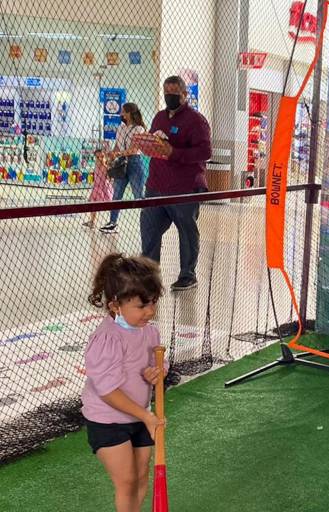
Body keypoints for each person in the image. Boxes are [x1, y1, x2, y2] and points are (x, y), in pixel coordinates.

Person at [81, 253, 168, 512]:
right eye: (141, 306)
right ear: (115, 306)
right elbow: (107, 391)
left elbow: (158, 363)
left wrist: (157, 371)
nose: (150, 311)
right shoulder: (107, 339)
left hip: (141, 417)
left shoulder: (150, 330)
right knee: (127, 480)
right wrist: (146, 416)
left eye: (153, 303)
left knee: (142, 476)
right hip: (107, 419)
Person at [140, 76, 211, 291]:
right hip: (156, 185)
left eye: (174, 93)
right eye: (166, 92)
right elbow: (155, 140)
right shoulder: (160, 117)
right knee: (149, 229)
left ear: (184, 94)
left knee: (186, 230)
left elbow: (205, 152)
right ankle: (149, 275)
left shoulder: (196, 121)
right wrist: (148, 145)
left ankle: (187, 275)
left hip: (184, 187)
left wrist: (174, 152)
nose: (169, 96)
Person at [100, 103, 147, 234]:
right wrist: (111, 155)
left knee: (139, 195)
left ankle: (149, 221)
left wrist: (119, 153)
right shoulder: (120, 128)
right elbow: (117, 146)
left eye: (123, 112)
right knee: (117, 194)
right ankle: (112, 223)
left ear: (130, 113)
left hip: (134, 163)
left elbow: (134, 149)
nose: (121, 114)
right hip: (121, 163)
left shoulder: (139, 129)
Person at [83, 146, 113, 229]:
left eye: (101, 156)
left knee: (108, 204)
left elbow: (109, 177)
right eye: (97, 157)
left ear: (104, 156)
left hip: (103, 187)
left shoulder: (105, 166)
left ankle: (113, 221)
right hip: (96, 187)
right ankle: (92, 221)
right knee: (93, 203)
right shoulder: (96, 165)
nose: (99, 158)